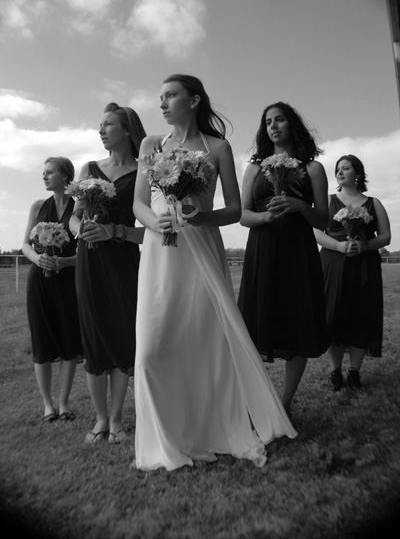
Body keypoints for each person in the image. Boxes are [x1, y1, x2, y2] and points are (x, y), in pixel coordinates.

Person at [133, 74, 297, 472]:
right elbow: (138, 204)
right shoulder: (151, 145)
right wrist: (156, 223)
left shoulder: (218, 147)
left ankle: (207, 426)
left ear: (194, 100)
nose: (162, 103)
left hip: (201, 249)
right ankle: (166, 436)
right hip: (159, 252)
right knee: (151, 348)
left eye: (170, 95)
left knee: (204, 340)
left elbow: (235, 209)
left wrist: (200, 217)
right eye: (160, 97)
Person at [238, 102, 329, 416]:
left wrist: (299, 206)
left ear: (293, 125)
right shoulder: (254, 169)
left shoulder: (312, 168)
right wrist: (266, 216)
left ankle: (284, 403)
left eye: (279, 120)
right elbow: (243, 216)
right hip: (262, 250)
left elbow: (323, 220)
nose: (273, 126)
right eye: (268, 122)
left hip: (298, 253)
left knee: (298, 322)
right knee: (255, 324)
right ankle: (258, 402)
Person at [69, 103, 146, 444]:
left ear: (127, 129)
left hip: (124, 262)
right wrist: (80, 230)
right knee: (94, 334)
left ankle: (116, 420)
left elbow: (150, 232)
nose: (100, 131)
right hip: (90, 261)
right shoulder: (89, 168)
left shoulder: (144, 171)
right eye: (99, 126)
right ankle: (99, 419)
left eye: (108, 125)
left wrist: (113, 232)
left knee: (121, 334)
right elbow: (74, 217)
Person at [314, 155, 391, 391]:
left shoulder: (374, 203)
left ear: (357, 173)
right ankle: (335, 370)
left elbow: (385, 236)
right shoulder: (328, 201)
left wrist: (365, 245)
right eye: (338, 169)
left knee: (361, 316)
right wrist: (338, 245)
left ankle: (354, 371)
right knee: (333, 315)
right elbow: (315, 232)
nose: (339, 172)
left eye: (345, 168)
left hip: (364, 267)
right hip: (333, 264)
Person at [22, 157, 83, 423]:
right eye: (43, 173)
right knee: (42, 340)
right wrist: (39, 259)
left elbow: (87, 252)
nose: (44, 177)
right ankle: (48, 404)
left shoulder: (79, 208)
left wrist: (66, 262)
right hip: (39, 281)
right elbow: (25, 245)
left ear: (65, 176)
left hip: (68, 281)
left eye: (49, 172)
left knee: (69, 339)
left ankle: (64, 402)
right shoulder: (37, 206)